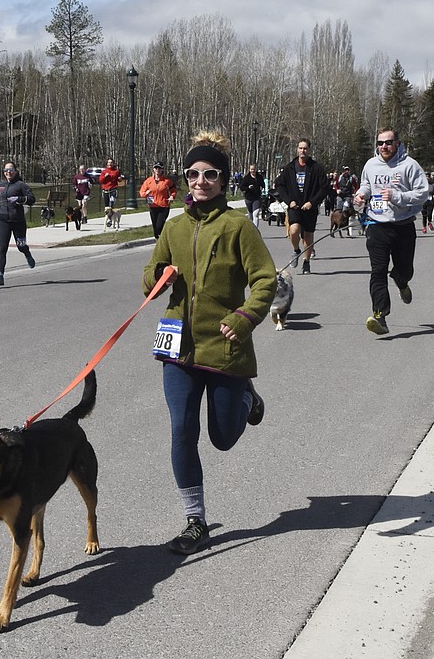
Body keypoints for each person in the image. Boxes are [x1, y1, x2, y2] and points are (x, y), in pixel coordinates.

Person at [142, 130, 277, 555]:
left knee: (222, 438)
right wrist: (159, 277)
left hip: (224, 345)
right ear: (185, 179)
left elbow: (265, 281)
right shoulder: (174, 226)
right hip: (177, 346)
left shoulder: (238, 226)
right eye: (193, 173)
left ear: (223, 180)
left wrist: (245, 315)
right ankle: (195, 521)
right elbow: (149, 274)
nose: (201, 181)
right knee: (182, 429)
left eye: (210, 174)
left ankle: (246, 399)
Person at [353, 127, 430, 335]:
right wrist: (361, 194)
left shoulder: (409, 165)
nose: (384, 147)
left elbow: (423, 193)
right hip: (376, 224)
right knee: (378, 271)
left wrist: (398, 197)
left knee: (405, 270)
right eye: (380, 143)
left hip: (403, 225)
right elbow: (366, 184)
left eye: (388, 142)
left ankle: (401, 280)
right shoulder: (371, 164)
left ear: (397, 143)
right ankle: (380, 315)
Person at [276, 139, 329, 275]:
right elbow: (280, 185)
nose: (302, 151)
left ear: (309, 150)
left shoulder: (316, 168)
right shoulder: (290, 167)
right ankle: (296, 250)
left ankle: (306, 262)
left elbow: (324, 188)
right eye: (300, 148)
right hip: (295, 207)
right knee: (294, 230)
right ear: (297, 149)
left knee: (308, 236)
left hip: (309, 208)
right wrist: (289, 201)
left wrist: (312, 202)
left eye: (305, 148)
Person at [0, 161, 37, 285]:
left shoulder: (21, 185)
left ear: (15, 171)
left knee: (21, 245)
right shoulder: (1, 185)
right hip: (3, 220)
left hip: (18, 220)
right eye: (6, 170)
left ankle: (27, 254)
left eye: (11, 170)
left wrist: (19, 199)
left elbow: (32, 199)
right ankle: (0, 274)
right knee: (2, 248)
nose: (8, 172)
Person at [139, 162, 178, 238]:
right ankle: (159, 240)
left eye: (159, 168)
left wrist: (172, 196)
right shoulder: (148, 181)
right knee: (155, 228)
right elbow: (142, 192)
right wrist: (146, 193)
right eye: (156, 168)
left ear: (162, 170)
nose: (157, 170)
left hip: (164, 206)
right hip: (153, 206)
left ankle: (163, 239)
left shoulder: (166, 181)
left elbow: (174, 190)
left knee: (159, 226)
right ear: (153, 169)